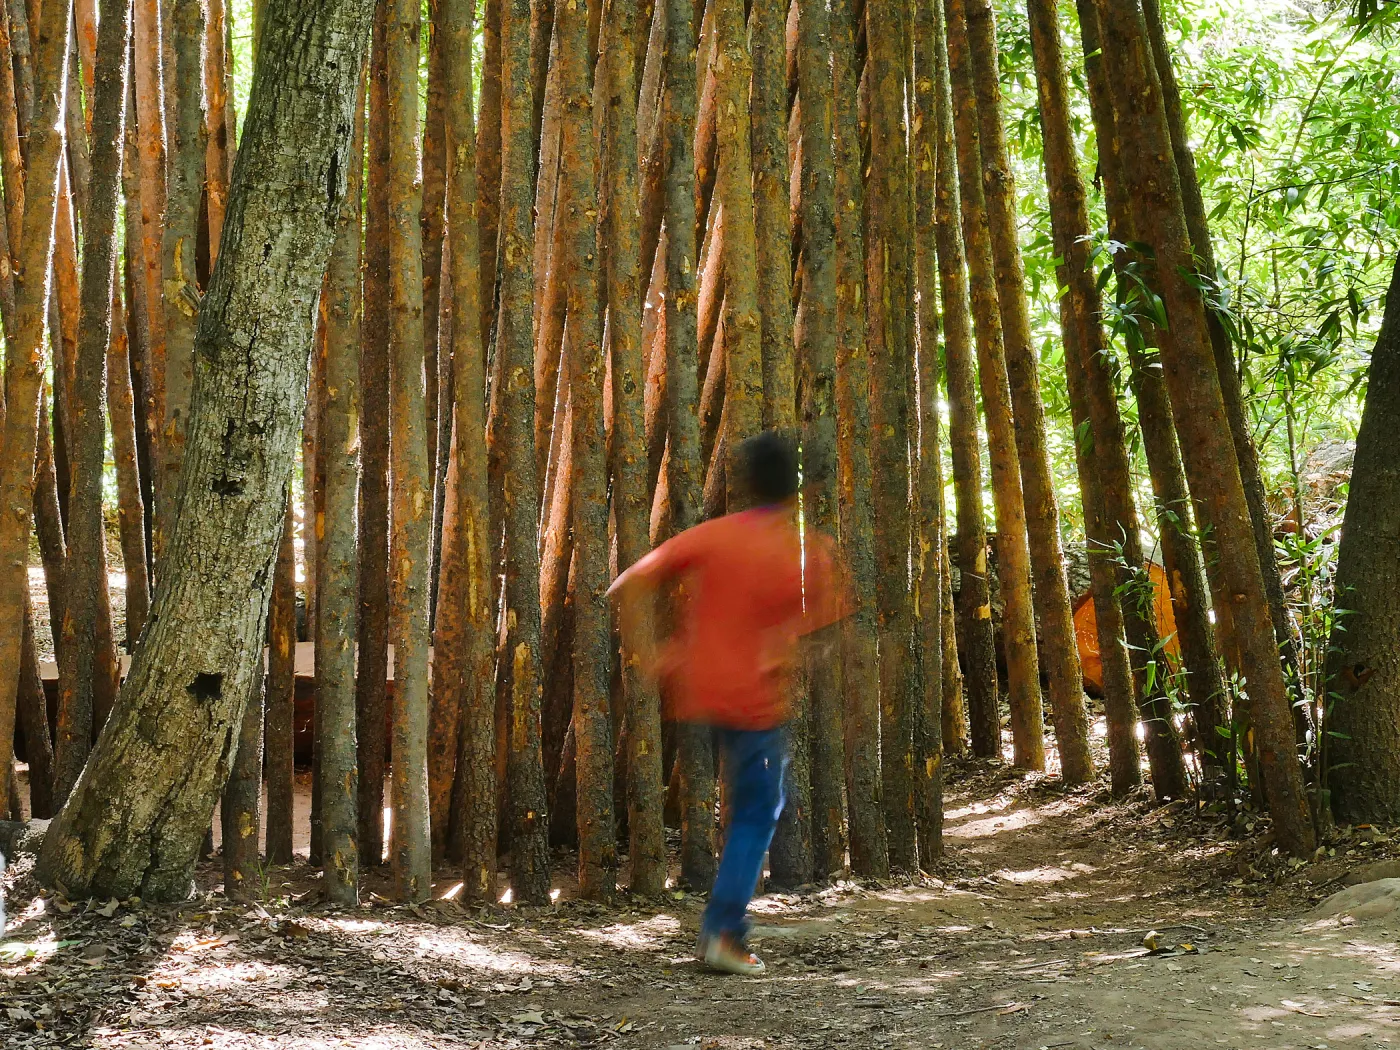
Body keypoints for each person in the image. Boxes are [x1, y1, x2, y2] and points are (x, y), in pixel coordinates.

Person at [608, 431, 848, 976]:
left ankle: (723, 927)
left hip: (702, 691)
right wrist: (785, 645)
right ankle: (723, 934)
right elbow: (827, 624)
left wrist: (650, 654)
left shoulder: (714, 535)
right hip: (756, 703)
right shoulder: (803, 549)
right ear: (796, 489)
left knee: (749, 808)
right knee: (756, 814)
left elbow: (630, 582)